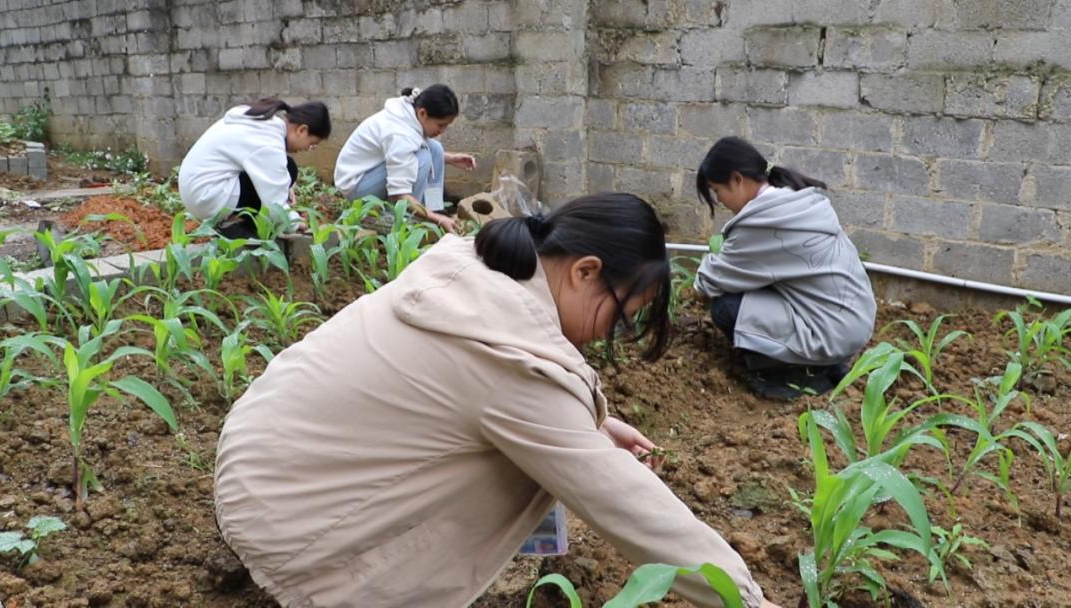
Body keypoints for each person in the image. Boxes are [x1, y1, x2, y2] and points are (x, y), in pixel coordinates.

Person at [214, 193, 780, 608]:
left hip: (257, 464)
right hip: (292, 532)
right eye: (621, 316)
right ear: (586, 271)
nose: (612, 336)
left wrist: (596, 423)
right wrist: (748, 599)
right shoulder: (506, 364)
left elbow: (473, 391)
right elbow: (634, 511)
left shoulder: (474, 268)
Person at [694, 136, 876, 400]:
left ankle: (795, 375)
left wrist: (693, 290)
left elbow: (710, 281)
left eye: (717, 190)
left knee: (726, 306)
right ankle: (822, 364)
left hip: (832, 331)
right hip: (851, 324)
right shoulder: (796, 201)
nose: (719, 200)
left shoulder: (766, 220)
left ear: (737, 179)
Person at [178, 98, 331, 238]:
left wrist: (285, 185)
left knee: (286, 167)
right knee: (289, 168)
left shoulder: (263, 123)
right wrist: (296, 223)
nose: (309, 149)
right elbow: (274, 204)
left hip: (196, 188)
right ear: (302, 130)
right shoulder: (268, 141)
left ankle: (234, 222)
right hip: (207, 195)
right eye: (312, 144)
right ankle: (233, 226)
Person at [333, 84, 476, 234]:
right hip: (357, 188)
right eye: (440, 125)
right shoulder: (400, 135)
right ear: (422, 113)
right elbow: (400, 195)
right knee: (423, 158)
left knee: (436, 149)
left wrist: (450, 158)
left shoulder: (409, 114)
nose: (441, 131)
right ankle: (404, 219)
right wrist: (438, 220)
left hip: (369, 173)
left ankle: (434, 208)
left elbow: (404, 152)